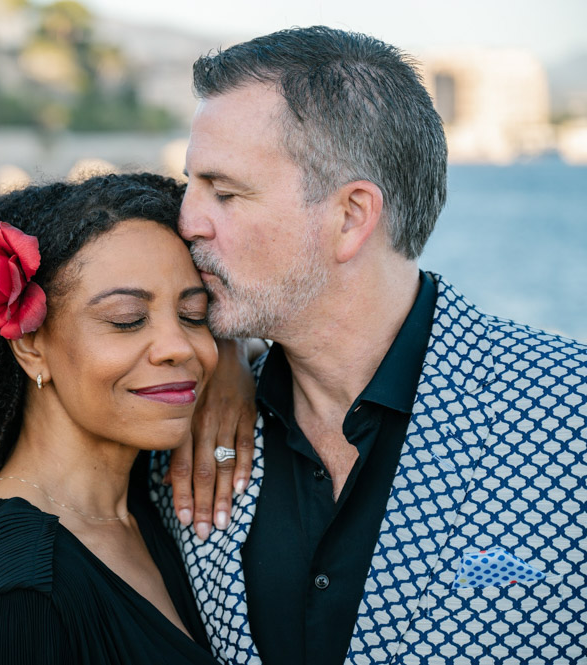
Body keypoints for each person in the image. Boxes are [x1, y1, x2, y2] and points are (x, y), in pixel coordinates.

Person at [152, 26, 587, 665]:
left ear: (352, 215)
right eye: (190, 185)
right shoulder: (182, 425)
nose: (187, 220)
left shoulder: (570, 411)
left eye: (225, 192)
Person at [0, 173, 223, 664]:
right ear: (31, 345)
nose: (179, 347)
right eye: (127, 319)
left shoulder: (146, 496)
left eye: (194, 315)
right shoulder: (21, 601)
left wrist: (232, 371)